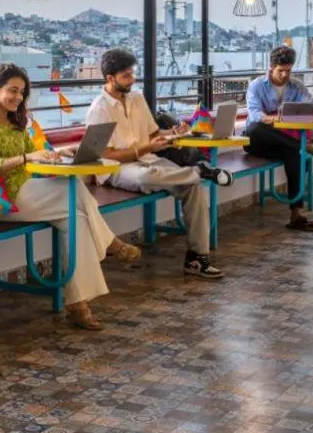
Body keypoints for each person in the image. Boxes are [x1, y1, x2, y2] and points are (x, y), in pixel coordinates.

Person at [0, 62, 139, 331]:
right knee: (75, 191)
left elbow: (32, 156)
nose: (17, 97)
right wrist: (28, 157)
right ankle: (111, 244)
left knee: (76, 219)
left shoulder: (15, 120)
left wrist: (60, 152)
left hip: (26, 191)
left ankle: (78, 304)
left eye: (22, 92)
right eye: (12, 90)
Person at [85, 49, 224, 279]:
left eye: (132, 74)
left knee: (193, 187)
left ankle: (197, 258)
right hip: (116, 169)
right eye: (126, 76)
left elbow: (153, 133)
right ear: (110, 78)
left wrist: (173, 132)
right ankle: (200, 171)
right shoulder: (98, 110)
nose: (132, 80)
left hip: (149, 160)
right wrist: (146, 148)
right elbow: (106, 155)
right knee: (145, 178)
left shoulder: (137, 98)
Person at [244, 45, 313, 232]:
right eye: (280, 70)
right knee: (255, 128)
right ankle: (308, 149)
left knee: (294, 154)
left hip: (284, 141)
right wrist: (277, 118)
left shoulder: (297, 86)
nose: (285, 75)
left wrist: (310, 112)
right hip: (259, 141)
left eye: (288, 70)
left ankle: (296, 214)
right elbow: (254, 115)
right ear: (271, 68)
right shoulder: (256, 85)